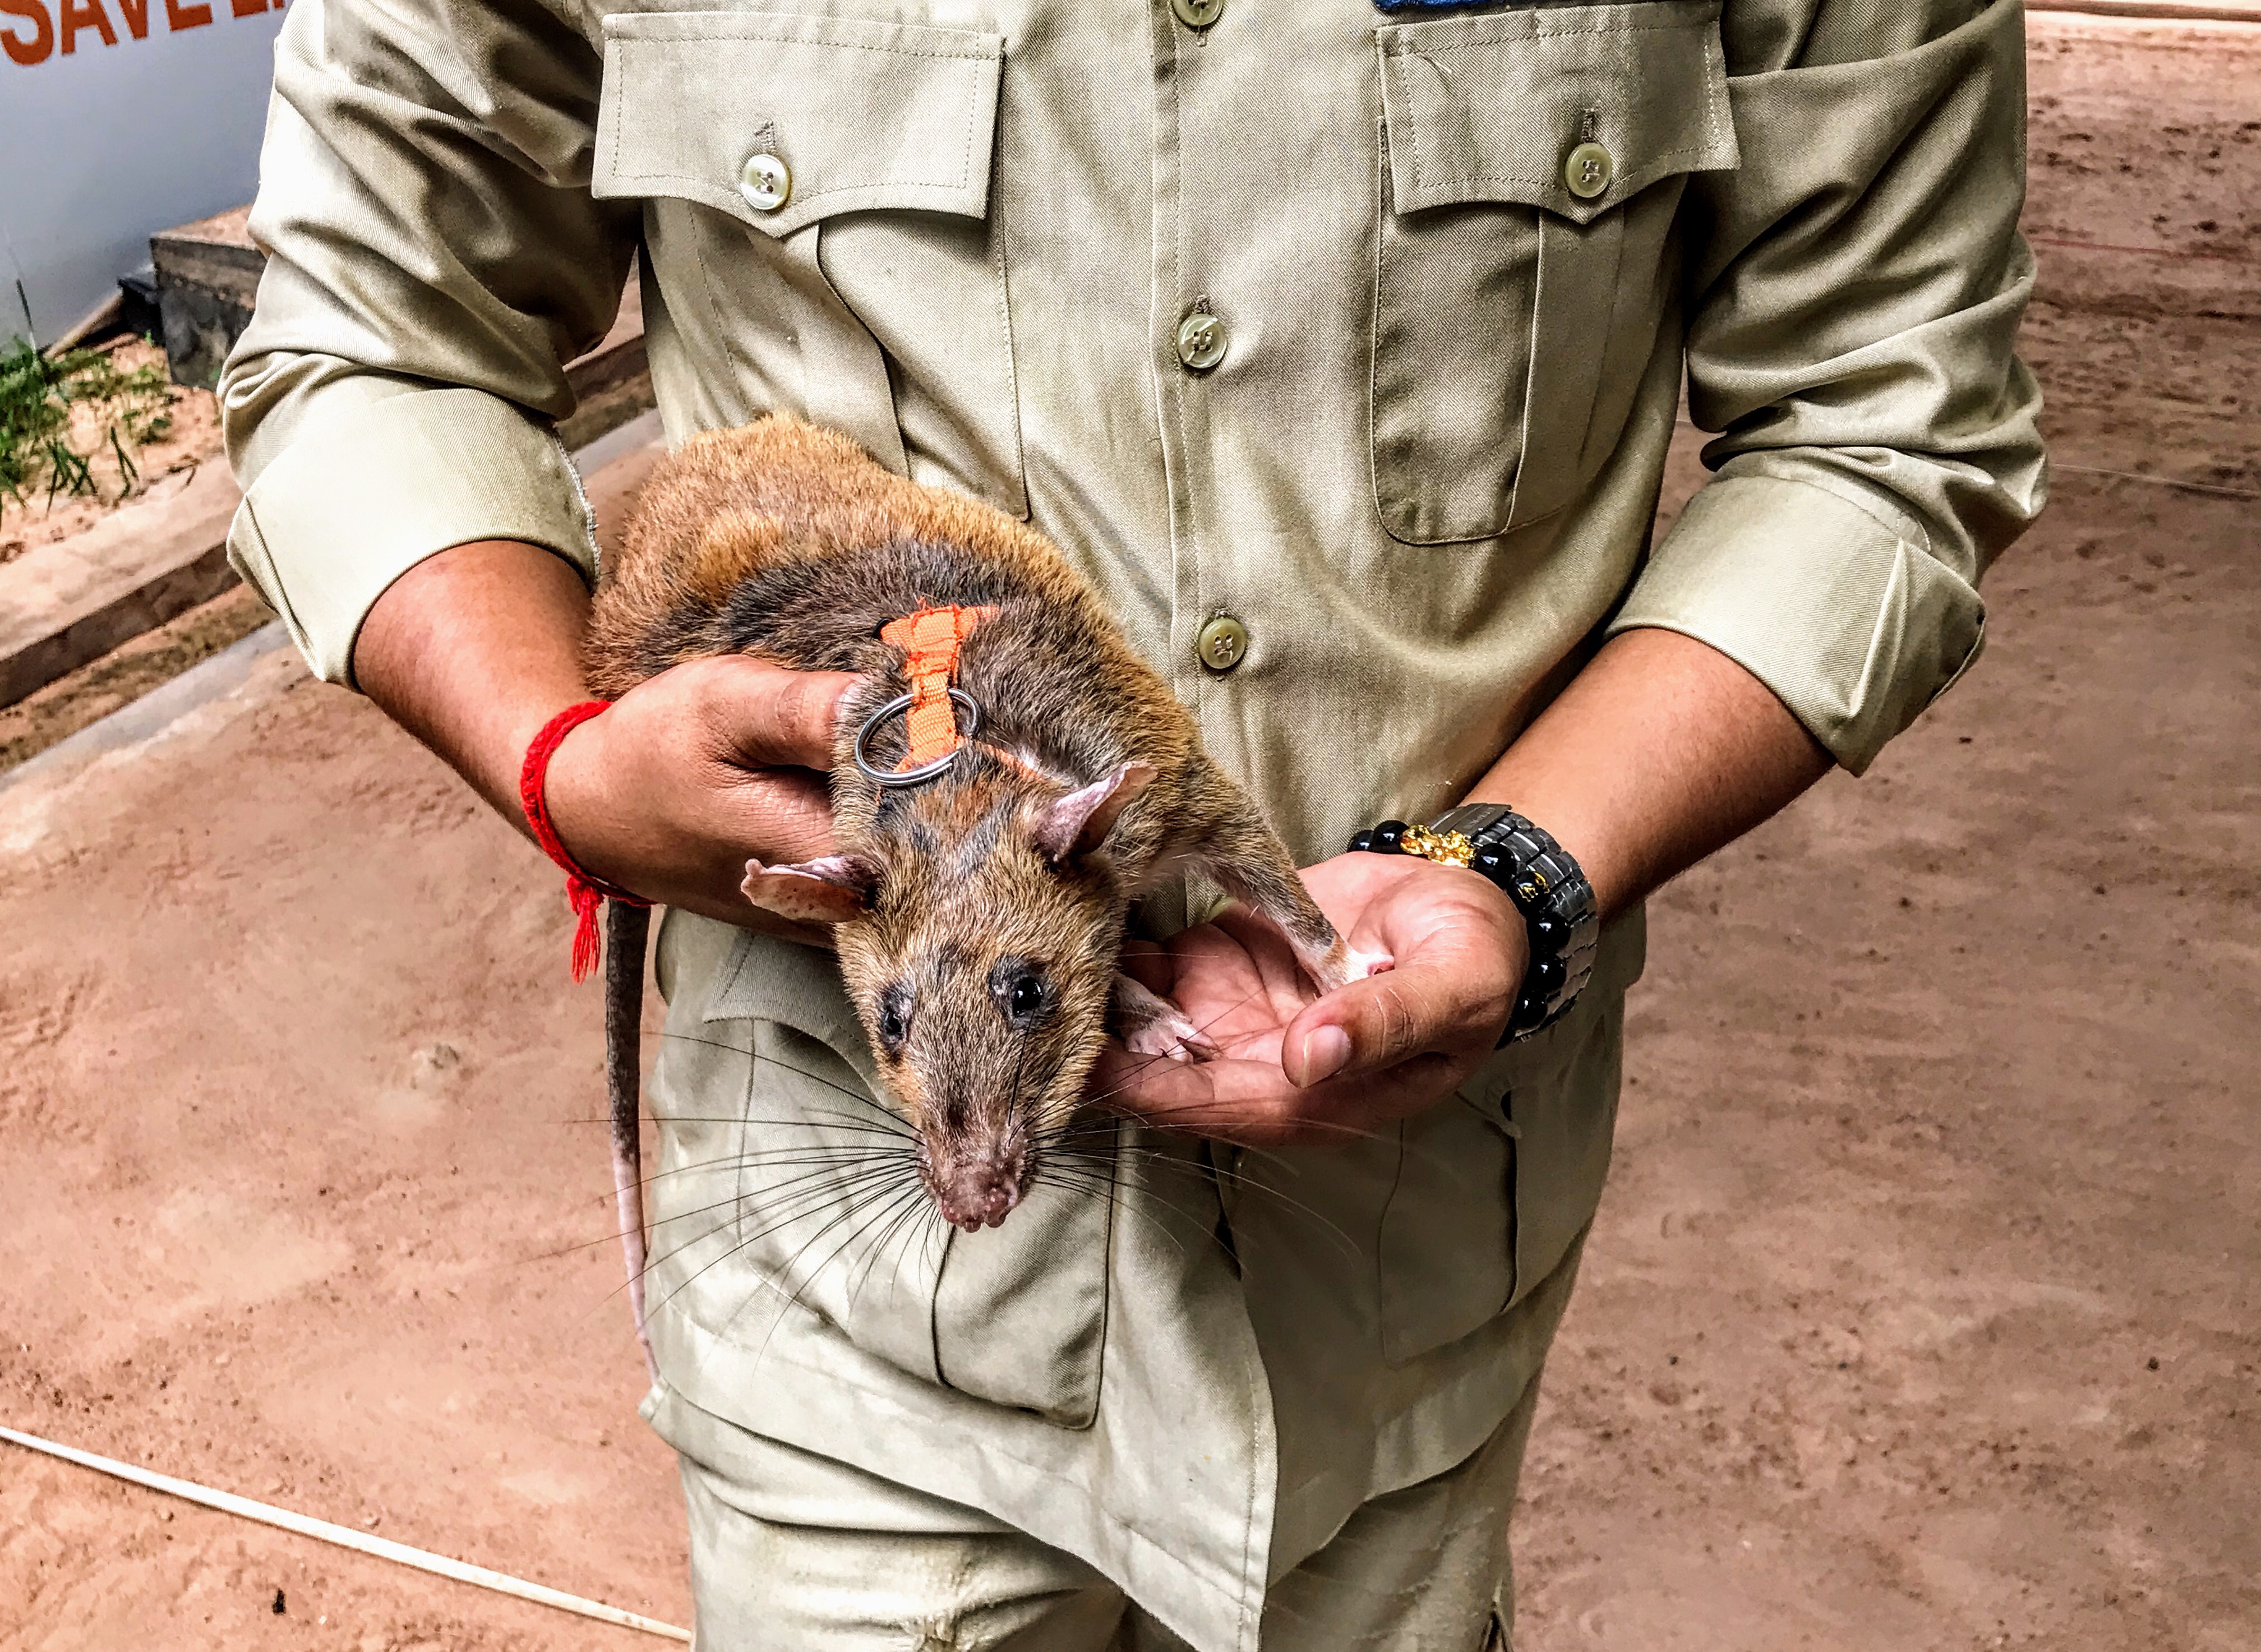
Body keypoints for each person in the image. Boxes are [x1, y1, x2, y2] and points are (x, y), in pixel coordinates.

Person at [218, 0, 2043, 1645]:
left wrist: (1521, 865)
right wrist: (562, 763)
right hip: (853, 1352)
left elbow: (1885, 420)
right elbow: (368, 340)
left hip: (1405, 1302)